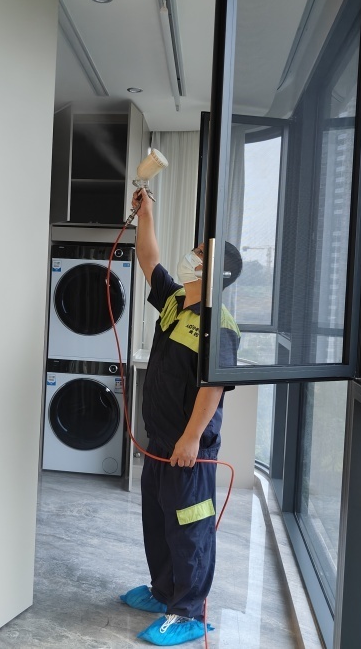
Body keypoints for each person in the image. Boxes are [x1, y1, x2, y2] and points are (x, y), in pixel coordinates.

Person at [120, 188, 242, 646]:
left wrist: (191, 438)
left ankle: (188, 612)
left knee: (190, 528)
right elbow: (148, 258)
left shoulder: (219, 325)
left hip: (189, 449)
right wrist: (145, 214)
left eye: (199, 254)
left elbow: (213, 386)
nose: (190, 256)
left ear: (215, 273)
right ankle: (163, 591)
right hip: (159, 440)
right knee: (157, 519)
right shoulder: (175, 301)